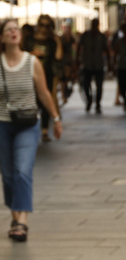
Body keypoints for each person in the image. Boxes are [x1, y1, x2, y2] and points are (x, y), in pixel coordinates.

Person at [0, 19, 63, 242]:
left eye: (16, 29)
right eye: (9, 30)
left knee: (22, 171)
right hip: (3, 125)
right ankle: (15, 215)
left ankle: (22, 221)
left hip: (28, 124)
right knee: (7, 176)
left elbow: (44, 92)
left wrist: (55, 118)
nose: (14, 32)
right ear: (2, 38)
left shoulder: (32, 62)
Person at [30, 15, 63, 143]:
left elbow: (58, 57)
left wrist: (58, 42)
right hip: (29, 75)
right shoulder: (29, 40)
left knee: (45, 99)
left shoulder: (51, 42)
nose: (44, 28)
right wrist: (32, 54)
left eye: (47, 25)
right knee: (33, 101)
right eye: (42, 25)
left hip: (46, 74)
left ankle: (44, 129)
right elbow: (21, 54)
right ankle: (32, 126)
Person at [77, 19, 109, 114]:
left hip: (99, 64)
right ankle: (89, 100)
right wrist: (77, 60)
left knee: (99, 86)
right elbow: (79, 47)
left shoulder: (101, 36)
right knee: (86, 84)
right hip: (87, 64)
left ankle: (98, 103)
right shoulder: (86, 35)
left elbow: (106, 49)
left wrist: (109, 63)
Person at [58, 22, 77, 105]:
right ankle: (63, 95)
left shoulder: (72, 39)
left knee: (70, 78)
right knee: (63, 79)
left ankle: (66, 92)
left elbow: (74, 50)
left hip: (69, 61)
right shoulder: (61, 39)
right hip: (63, 62)